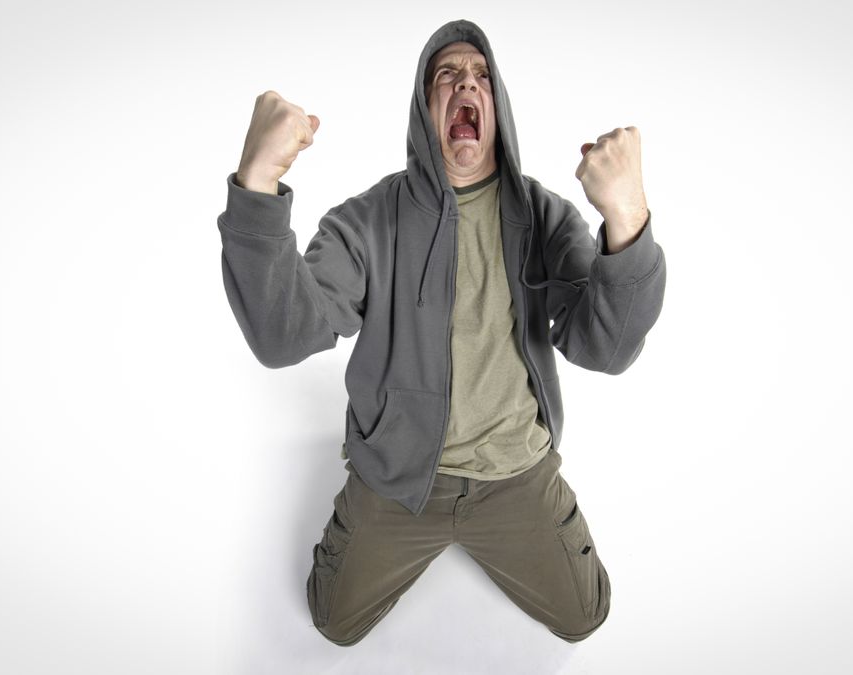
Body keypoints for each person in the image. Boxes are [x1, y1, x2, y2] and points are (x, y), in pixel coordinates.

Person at [216, 19, 666, 646]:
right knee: (332, 623)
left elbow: (608, 349)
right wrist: (257, 184)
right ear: (425, 109)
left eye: (481, 76)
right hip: (399, 478)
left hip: (515, 474)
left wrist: (627, 217)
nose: (466, 85)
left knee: (587, 615)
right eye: (447, 75)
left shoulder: (544, 215)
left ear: (496, 107)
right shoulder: (368, 220)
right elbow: (284, 335)